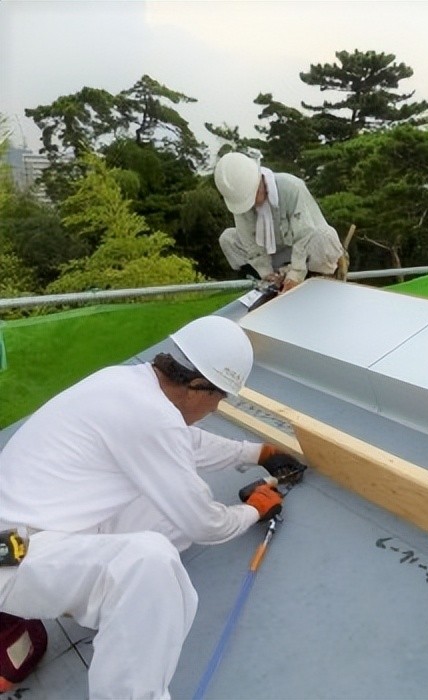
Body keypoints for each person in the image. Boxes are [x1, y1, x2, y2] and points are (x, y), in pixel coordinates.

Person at [0, 315, 298, 699]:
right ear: (197, 387)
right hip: (15, 559)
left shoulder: (127, 383)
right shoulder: (150, 417)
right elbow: (203, 524)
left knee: (163, 517)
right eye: (219, 399)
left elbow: (180, 443)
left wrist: (256, 452)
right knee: (149, 563)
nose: (215, 409)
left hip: (31, 532)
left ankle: (109, 609)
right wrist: (253, 510)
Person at [214, 152, 348, 292]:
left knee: (325, 236)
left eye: (252, 199)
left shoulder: (291, 187)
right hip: (278, 256)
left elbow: (304, 234)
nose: (251, 206)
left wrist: (296, 274)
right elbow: (250, 242)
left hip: (310, 253)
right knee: (228, 238)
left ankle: (319, 280)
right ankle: (271, 286)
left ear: (259, 183)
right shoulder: (241, 204)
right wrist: (266, 273)